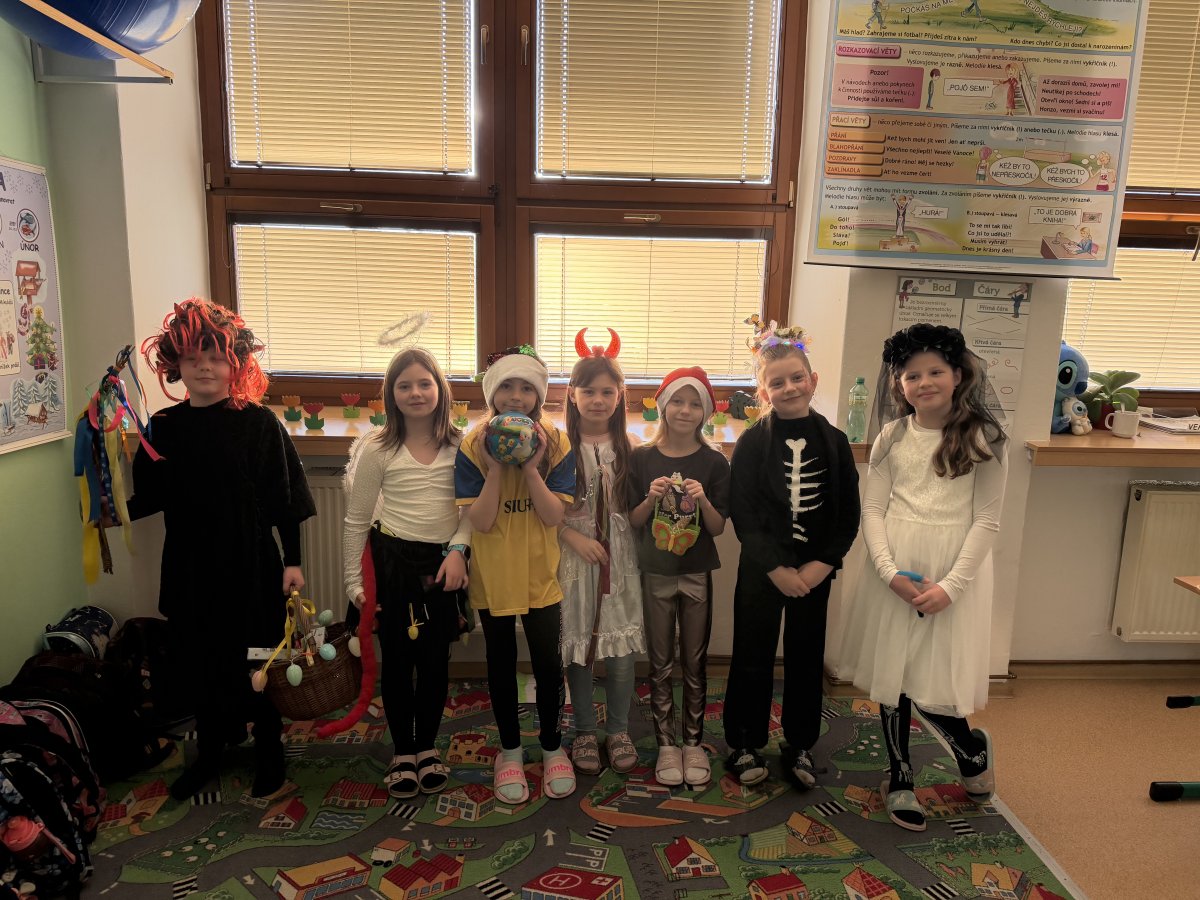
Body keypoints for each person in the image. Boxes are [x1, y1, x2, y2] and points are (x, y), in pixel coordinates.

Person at [129, 298, 315, 801]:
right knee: (202, 663)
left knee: (259, 660)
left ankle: (269, 745)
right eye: (193, 359)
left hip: (251, 567)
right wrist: (109, 500)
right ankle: (209, 750)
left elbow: (285, 500)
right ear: (176, 365)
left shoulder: (258, 424)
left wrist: (293, 561)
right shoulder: (163, 427)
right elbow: (148, 498)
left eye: (215, 358)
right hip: (191, 569)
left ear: (236, 363)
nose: (205, 367)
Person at [838, 323, 1008, 832]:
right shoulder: (891, 436)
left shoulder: (982, 437)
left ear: (958, 375)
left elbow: (987, 520)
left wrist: (951, 586)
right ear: (899, 384)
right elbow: (873, 510)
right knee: (893, 676)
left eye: (935, 371)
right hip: (895, 568)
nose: (924, 382)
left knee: (932, 680)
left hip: (952, 572)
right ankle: (901, 775)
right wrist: (888, 572)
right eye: (911, 375)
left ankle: (970, 751)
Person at [723, 324, 860, 789]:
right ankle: (744, 741)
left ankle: (800, 742)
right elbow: (744, 512)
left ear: (812, 380)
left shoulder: (835, 442)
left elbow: (848, 513)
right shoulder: (751, 443)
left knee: (806, 657)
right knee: (752, 654)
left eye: (797, 378)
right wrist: (775, 567)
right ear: (764, 392)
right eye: (777, 383)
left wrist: (822, 564)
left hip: (814, 572)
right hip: (763, 571)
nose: (789, 388)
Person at [342, 346, 470, 799]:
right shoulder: (378, 449)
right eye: (404, 385)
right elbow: (357, 520)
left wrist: (459, 551)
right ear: (391, 394)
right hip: (392, 565)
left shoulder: (462, 445)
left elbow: (471, 510)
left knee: (435, 662)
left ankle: (427, 748)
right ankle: (403, 752)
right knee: (397, 662)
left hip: (442, 564)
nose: (416, 393)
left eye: (424, 383)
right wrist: (353, 582)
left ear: (440, 389)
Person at [454, 345, 577, 804]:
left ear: (540, 395)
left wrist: (530, 468)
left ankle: (551, 746)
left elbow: (553, 517)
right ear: (492, 393)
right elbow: (482, 522)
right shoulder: (473, 443)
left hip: (540, 576)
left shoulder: (555, 441)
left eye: (527, 388)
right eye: (507, 386)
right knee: (501, 666)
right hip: (494, 576)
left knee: (548, 666)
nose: (517, 397)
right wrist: (493, 469)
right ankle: (509, 751)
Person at [627, 367, 730, 787]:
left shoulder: (714, 461)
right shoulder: (641, 458)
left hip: (696, 573)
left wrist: (703, 500)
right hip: (655, 572)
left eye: (694, 404)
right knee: (659, 663)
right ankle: (666, 744)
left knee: (694, 662)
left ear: (705, 412)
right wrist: (649, 498)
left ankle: (692, 742)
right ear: (662, 405)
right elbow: (633, 520)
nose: (685, 411)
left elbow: (718, 528)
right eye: (677, 401)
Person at [559, 333, 645, 776]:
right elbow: (544, 510)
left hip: (620, 560)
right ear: (572, 395)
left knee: (620, 648)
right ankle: (585, 730)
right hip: (574, 558)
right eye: (588, 391)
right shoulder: (558, 449)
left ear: (620, 396)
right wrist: (573, 538)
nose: (597, 400)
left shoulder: (632, 449)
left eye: (607, 392)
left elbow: (636, 511)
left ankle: (618, 729)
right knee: (580, 644)